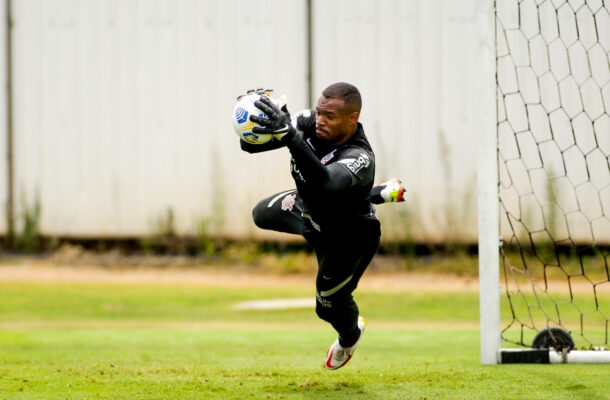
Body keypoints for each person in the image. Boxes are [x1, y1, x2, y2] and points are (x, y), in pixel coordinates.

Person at [237, 83, 405, 370]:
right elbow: (249, 147)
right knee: (260, 214)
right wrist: (254, 119)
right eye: (319, 112)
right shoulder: (309, 121)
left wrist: (290, 136)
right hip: (310, 211)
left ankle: (350, 336)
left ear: (352, 118)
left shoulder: (360, 157)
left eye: (330, 116)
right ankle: (378, 192)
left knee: (327, 307)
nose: (320, 121)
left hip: (348, 237)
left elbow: (327, 183)